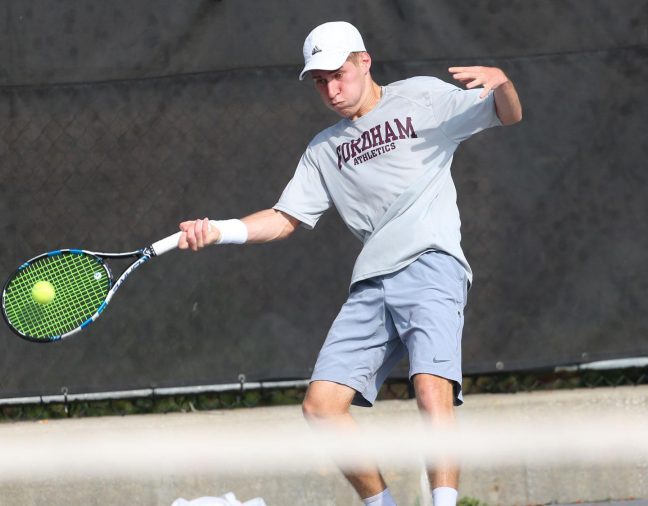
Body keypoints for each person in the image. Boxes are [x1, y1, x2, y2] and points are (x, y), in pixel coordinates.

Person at [177, 21, 522, 506]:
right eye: (319, 81)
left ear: (364, 61)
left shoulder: (422, 97)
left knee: (430, 388)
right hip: (371, 284)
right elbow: (283, 218)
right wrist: (220, 229)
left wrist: (503, 83)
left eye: (338, 74)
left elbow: (508, 115)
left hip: (432, 264)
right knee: (321, 408)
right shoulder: (323, 149)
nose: (331, 89)